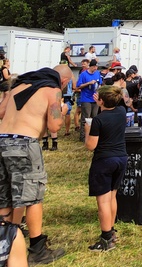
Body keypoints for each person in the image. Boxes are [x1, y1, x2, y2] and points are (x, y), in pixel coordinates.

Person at [0, 64, 72, 264]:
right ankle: (37, 250)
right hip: (24, 144)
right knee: (33, 197)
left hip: (2, 140)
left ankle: (4, 246)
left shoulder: (19, 86)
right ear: (64, 81)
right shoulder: (53, 91)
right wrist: (62, 111)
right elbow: (54, 125)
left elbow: (1, 111)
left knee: (4, 196)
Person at [85, 85, 127, 252]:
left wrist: (87, 130)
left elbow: (91, 146)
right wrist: (103, 101)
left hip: (104, 160)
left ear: (101, 101)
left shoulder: (98, 120)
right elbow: (115, 103)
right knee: (112, 196)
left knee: (103, 201)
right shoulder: (121, 112)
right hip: (121, 158)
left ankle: (106, 239)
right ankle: (111, 230)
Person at [76, 59, 103, 141]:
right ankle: (83, 136)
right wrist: (88, 83)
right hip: (86, 99)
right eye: (94, 67)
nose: (96, 68)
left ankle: (93, 135)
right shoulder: (83, 74)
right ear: (91, 66)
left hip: (95, 98)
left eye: (97, 67)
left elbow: (100, 83)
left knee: (95, 117)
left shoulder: (97, 73)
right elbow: (78, 86)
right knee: (86, 118)